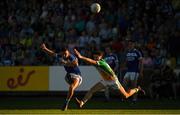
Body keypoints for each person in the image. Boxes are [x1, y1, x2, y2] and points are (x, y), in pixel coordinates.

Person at [74, 49, 145, 108]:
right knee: (91, 90)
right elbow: (91, 61)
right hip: (105, 80)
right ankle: (81, 103)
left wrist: (81, 57)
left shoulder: (101, 63)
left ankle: (137, 89)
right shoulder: (99, 61)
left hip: (113, 81)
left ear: (101, 57)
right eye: (94, 57)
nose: (95, 58)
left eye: (97, 57)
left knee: (126, 95)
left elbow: (91, 61)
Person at [41, 43, 82, 111]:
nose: (64, 55)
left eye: (65, 53)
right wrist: (45, 49)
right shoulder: (61, 56)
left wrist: (65, 63)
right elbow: (52, 54)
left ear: (68, 51)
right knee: (71, 89)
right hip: (69, 76)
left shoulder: (71, 57)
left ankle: (66, 104)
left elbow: (75, 64)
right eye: (63, 54)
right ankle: (77, 101)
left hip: (77, 76)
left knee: (71, 87)